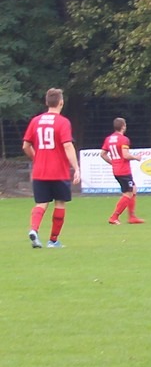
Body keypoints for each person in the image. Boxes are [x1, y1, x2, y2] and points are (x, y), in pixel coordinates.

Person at [22, 87, 82, 248]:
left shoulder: (35, 121)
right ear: (61, 102)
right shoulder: (63, 122)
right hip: (58, 171)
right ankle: (53, 240)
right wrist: (76, 168)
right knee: (60, 203)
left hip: (40, 171)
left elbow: (26, 145)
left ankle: (34, 229)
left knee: (41, 203)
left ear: (47, 102)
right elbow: (67, 146)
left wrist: (37, 158)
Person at [101, 117, 145, 224]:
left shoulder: (109, 139)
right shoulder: (124, 139)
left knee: (133, 189)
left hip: (116, 169)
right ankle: (114, 217)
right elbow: (125, 155)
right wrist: (136, 157)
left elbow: (103, 154)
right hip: (124, 171)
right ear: (123, 126)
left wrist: (113, 162)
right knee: (128, 193)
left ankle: (132, 217)